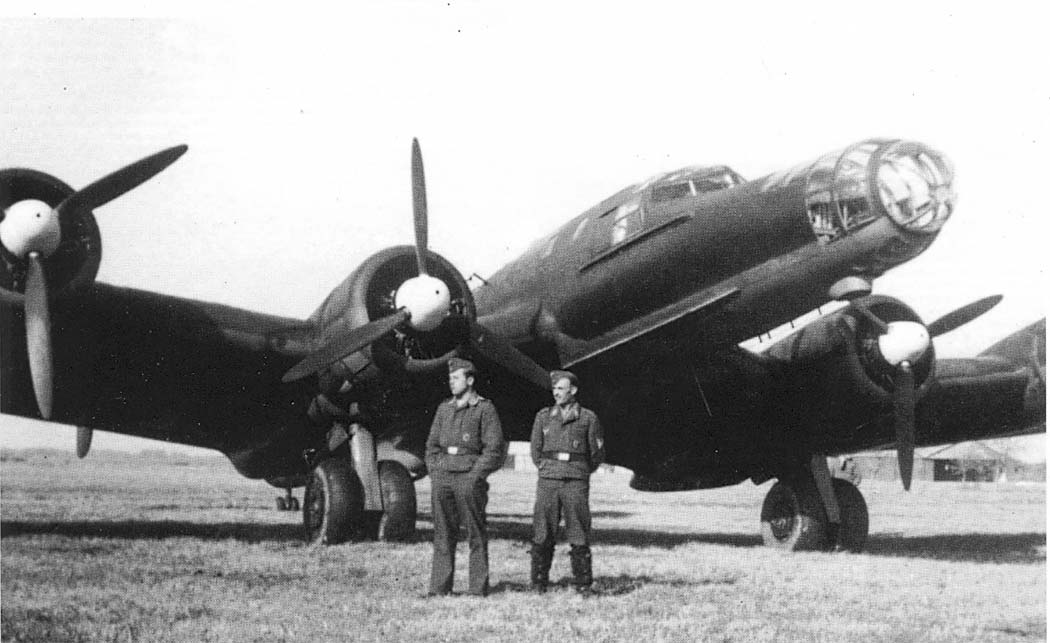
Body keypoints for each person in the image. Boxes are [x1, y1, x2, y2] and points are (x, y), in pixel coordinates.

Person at [425, 358, 506, 597]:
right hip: (444, 477)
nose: (451, 382)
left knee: (475, 533)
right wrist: (436, 473)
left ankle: (477, 588)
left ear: (470, 380)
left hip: (469, 478)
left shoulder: (484, 409)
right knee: (442, 533)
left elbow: (494, 449)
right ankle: (439, 588)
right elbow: (431, 446)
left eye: (456, 378)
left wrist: (475, 476)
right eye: (450, 378)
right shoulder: (444, 409)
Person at [530, 370, 605, 594]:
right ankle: (538, 582)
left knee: (578, 531)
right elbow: (536, 450)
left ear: (573, 390)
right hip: (549, 479)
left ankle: (583, 583)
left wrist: (579, 471)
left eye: (561, 389)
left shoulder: (588, 418)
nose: (556, 393)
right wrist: (546, 469)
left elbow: (596, 454)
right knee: (543, 530)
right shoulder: (543, 417)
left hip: (575, 481)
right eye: (554, 389)